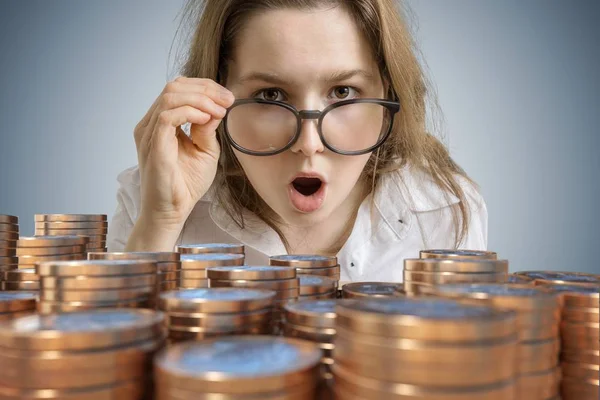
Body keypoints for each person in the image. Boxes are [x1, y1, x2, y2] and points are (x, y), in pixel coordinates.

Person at [107, 0, 488, 283]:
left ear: (387, 94)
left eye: (342, 92)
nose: (308, 143)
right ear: (216, 93)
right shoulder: (149, 201)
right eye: (271, 95)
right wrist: (160, 222)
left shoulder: (444, 212)